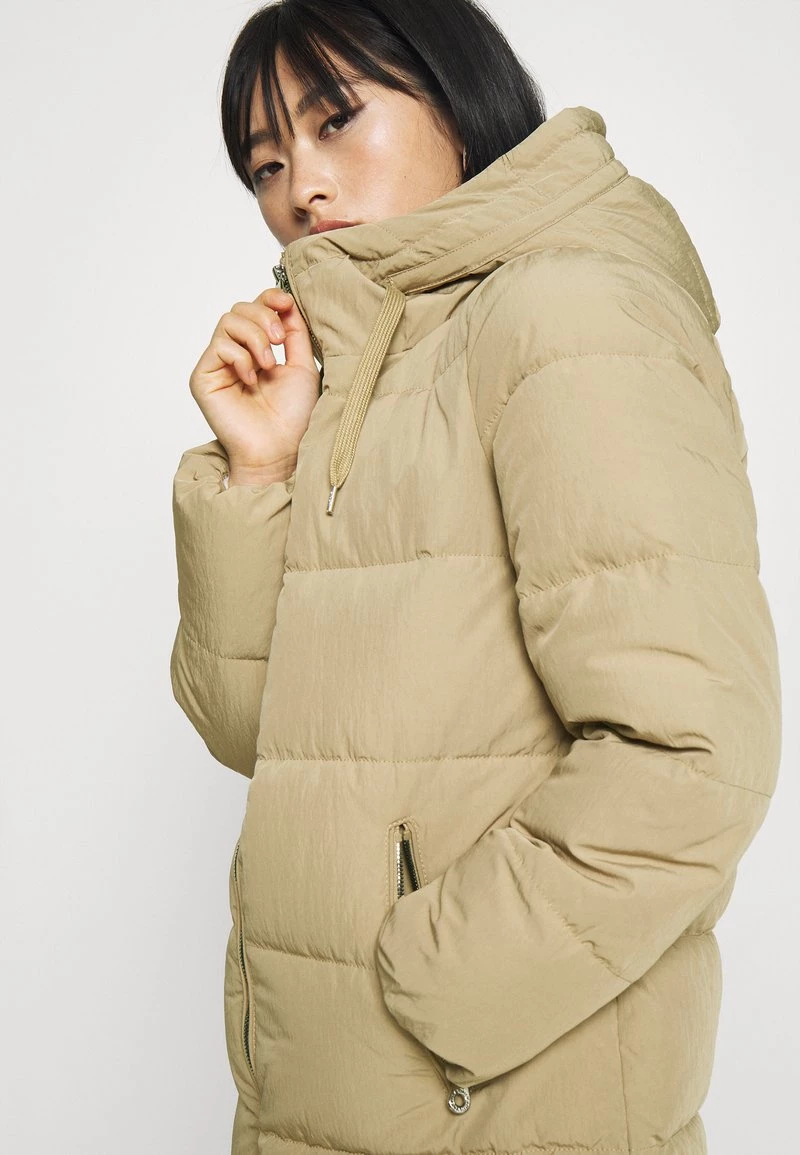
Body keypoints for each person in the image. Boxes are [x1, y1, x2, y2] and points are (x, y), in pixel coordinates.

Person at [168, 2, 782, 1153]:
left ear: (454, 95)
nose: (302, 188)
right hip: (320, 1102)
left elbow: (693, 750)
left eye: (334, 120)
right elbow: (265, 736)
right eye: (265, 163)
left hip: (494, 1101)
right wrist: (257, 472)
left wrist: (434, 985)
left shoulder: (564, 312)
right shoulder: (369, 367)